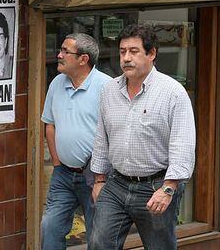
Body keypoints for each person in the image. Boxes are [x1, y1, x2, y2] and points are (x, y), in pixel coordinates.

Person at [90, 24, 196, 249]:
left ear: (152, 53)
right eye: (122, 51)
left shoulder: (173, 93)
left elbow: (183, 144)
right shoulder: (109, 90)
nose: (126, 58)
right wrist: (99, 179)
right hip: (116, 184)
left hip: (155, 186)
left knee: (159, 246)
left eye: (134, 51)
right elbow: (102, 137)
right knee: (99, 243)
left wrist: (168, 189)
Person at [40, 33, 111, 250]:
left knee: (97, 234)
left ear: (84, 59)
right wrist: (57, 162)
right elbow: (49, 124)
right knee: (49, 226)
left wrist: (100, 176)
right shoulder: (56, 83)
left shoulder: (107, 87)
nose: (59, 55)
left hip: (96, 174)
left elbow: (115, 132)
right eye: (60, 50)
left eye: (65, 51)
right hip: (63, 173)